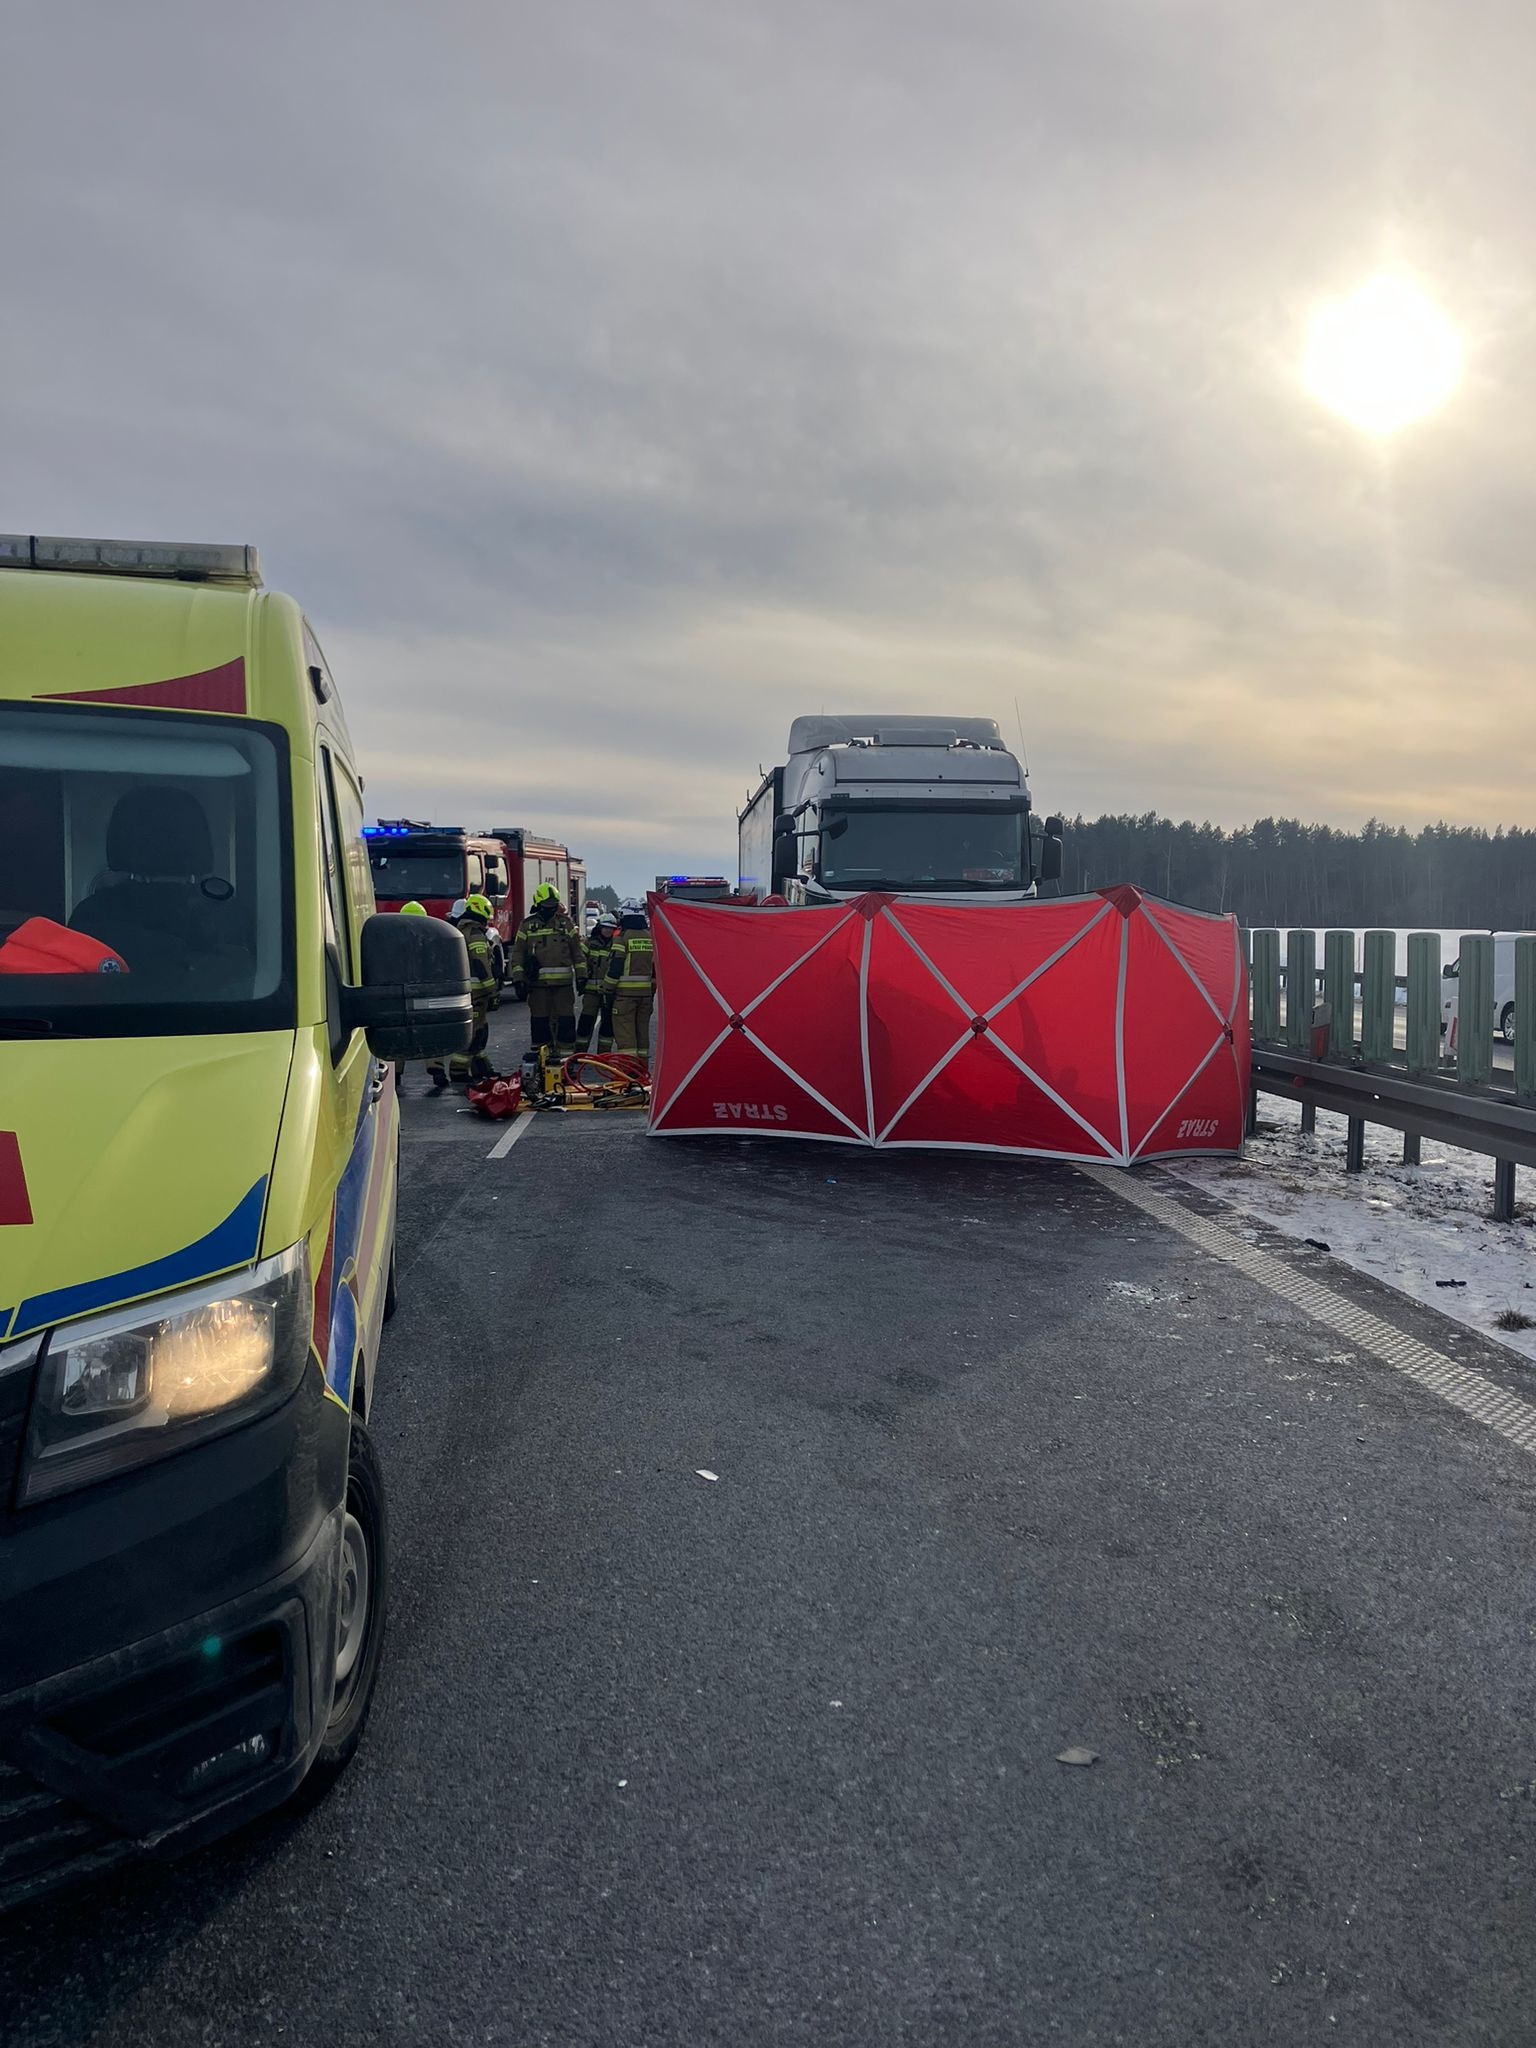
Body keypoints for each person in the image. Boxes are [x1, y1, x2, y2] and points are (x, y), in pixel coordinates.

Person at [428, 895, 497, 1088]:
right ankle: (459, 1070)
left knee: (480, 1031)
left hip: (467, 990)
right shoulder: (474, 933)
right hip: (477, 992)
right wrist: (493, 989)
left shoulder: (460, 930)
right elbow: (480, 963)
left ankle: (482, 1067)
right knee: (475, 1032)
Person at [516, 882, 584, 1058]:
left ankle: (566, 1059)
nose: (550, 909)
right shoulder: (527, 926)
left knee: (566, 1022)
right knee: (540, 1023)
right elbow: (518, 955)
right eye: (547, 906)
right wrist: (518, 979)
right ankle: (541, 1059)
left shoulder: (565, 924)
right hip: (537, 986)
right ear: (538, 904)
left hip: (563, 986)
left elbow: (577, 952)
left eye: (553, 906)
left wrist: (582, 976)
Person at [604, 899, 655, 1059]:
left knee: (626, 1037)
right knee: (642, 1036)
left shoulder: (622, 938)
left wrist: (606, 988)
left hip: (625, 997)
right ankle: (642, 1072)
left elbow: (616, 967)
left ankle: (627, 1073)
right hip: (646, 997)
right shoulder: (650, 938)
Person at [577, 911, 619, 1052]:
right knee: (586, 1022)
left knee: (607, 1025)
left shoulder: (616, 945)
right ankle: (580, 1053)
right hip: (591, 992)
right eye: (605, 927)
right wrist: (582, 976)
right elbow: (579, 958)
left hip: (608, 993)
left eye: (611, 928)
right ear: (600, 927)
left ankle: (603, 1055)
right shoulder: (589, 943)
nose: (608, 931)